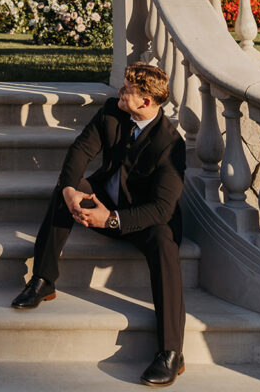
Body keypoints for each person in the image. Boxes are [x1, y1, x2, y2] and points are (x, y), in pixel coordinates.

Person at [11, 63, 186, 388]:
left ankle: (171, 353)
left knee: (165, 243)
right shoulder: (111, 111)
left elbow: (162, 208)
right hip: (106, 197)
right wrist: (69, 191)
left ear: (146, 101)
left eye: (127, 90)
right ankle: (43, 278)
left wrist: (113, 219)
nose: (119, 92)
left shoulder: (171, 143)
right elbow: (80, 151)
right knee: (67, 192)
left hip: (145, 219)